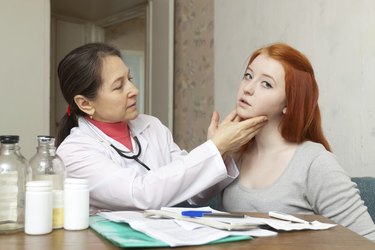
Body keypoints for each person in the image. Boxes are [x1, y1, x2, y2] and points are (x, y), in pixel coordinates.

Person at [55, 42, 268, 211]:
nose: (134, 89)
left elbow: (193, 193)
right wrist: (215, 147)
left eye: (130, 78)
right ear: (85, 103)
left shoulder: (151, 126)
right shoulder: (74, 151)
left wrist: (221, 152)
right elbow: (140, 195)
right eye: (119, 86)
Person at [207, 43, 375, 241]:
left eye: (266, 84)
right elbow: (196, 208)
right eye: (248, 76)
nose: (248, 88)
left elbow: (367, 241)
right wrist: (214, 150)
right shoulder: (234, 154)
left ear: (289, 103)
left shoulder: (315, 163)